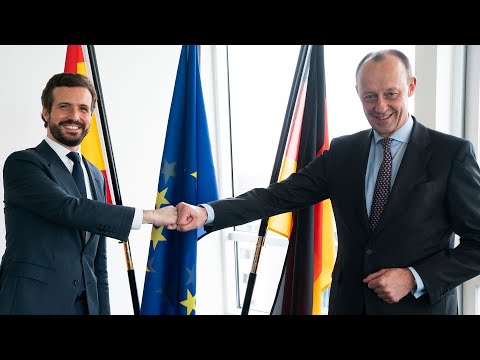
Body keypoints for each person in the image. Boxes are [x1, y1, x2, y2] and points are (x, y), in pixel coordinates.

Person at [176, 49, 480, 315]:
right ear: (358, 93)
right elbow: (277, 197)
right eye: (369, 96)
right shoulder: (344, 151)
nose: (380, 107)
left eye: (391, 93)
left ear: (410, 87)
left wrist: (414, 277)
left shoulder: (450, 154)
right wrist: (206, 213)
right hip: (347, 305)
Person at [0, 72, 177, 315]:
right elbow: (68, 209)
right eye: (64, 107)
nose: (75, 116)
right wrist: (152, 216)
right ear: (45, 111)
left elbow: (97, 261)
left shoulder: (95, 175)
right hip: (31, 304)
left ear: (91, 116)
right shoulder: (23, 164)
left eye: (83, 109)